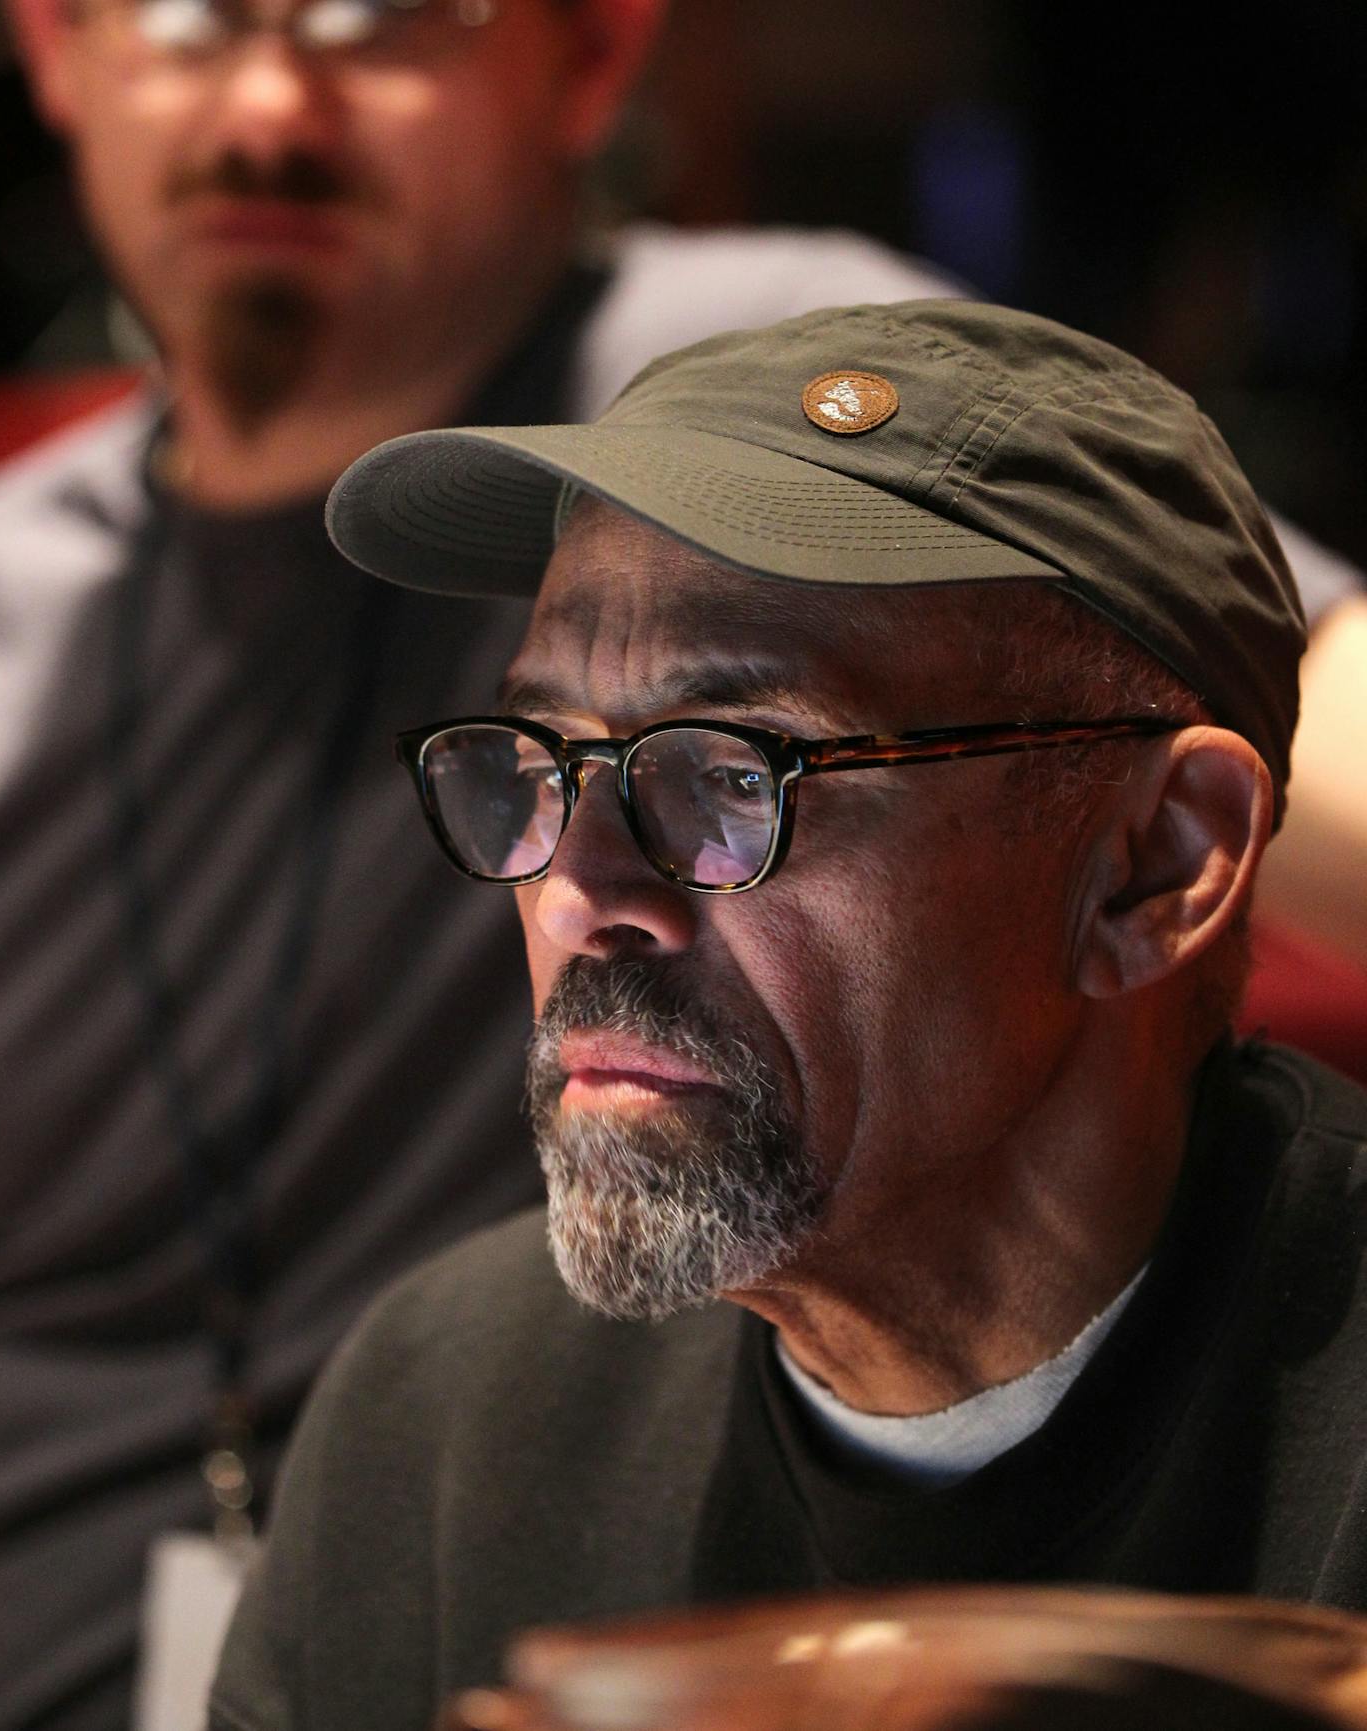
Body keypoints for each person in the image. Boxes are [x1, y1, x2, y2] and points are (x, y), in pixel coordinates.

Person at [0, 4, 987, 1728]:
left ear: (590, 60)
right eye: (192, 19)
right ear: (58, 49)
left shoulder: (753, 402)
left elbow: (1264, 719)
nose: (273, 105)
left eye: (387, 20)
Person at [211, 300, 1367, 1731]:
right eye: (540, 759)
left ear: (1158, 862)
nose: (580, 884)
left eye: (735, 774)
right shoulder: (442, 1414)